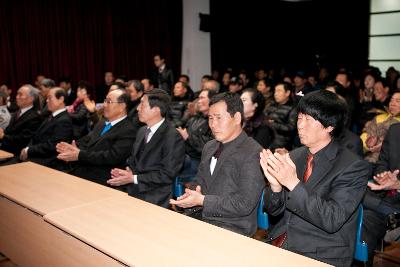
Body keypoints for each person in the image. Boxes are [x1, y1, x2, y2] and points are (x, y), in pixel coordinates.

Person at [260, 90, 371, 266]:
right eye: (299, 118)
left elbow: (332, 219)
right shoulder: (296, 156)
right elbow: (273, 212)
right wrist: (275, 187)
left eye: (308, 120)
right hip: (281, 243)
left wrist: (292, 183)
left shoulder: (353, 167)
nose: (300, 125)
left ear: (329, 126)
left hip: (321, 252)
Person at [170, 92, 265, 237]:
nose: (213, 125)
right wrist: (189, 196)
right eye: (210, 118)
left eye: (219, 118)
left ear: (237, 118)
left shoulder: (253, 152)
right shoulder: (210, 146)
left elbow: (244, 204)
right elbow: (199, 181)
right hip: (201, 217)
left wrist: (202, 200)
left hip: (232, 227)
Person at [107, 89, 185, 208]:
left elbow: (167, 175)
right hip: (133, 190)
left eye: (142, 104)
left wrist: (133, 178)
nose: (138, 108)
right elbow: (133, 161)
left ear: (156, 110)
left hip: (156, 197)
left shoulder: (172, 136)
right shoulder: (142, 131)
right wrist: (127, 173)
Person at [56, 89, 136, 187]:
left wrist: (79, 155)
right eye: (105, 101)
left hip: (102, 179)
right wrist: (72, 148)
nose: (104, 105)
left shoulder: (129, 129)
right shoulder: (102, 122)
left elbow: (112, 157)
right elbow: (88, 139)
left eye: (109, 102)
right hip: (83, 170)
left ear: (122, 106)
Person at [362, 123, 400, 259]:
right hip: (382, 197)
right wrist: (383, 176)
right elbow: (382, 162)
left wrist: (398, 184)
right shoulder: (395, 130)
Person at [19, 87, 73, 170]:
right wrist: (27, 149)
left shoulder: (64, 120)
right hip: (37, 158)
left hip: (49, 163)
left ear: (61, 99)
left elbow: (53, 146)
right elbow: (35, 137)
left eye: (50, 98)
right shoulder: (50, 117)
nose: (47, 101)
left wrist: (29, 150)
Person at [0, 85, 42, 156]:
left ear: (31, 98)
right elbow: (9, 131)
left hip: (17, 154)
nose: (17, 97)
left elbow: (23, 140)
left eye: (20, 94)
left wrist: (3, 136)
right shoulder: (17, 112)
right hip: (6, 149)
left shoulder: (35, 117)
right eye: (17, 94)